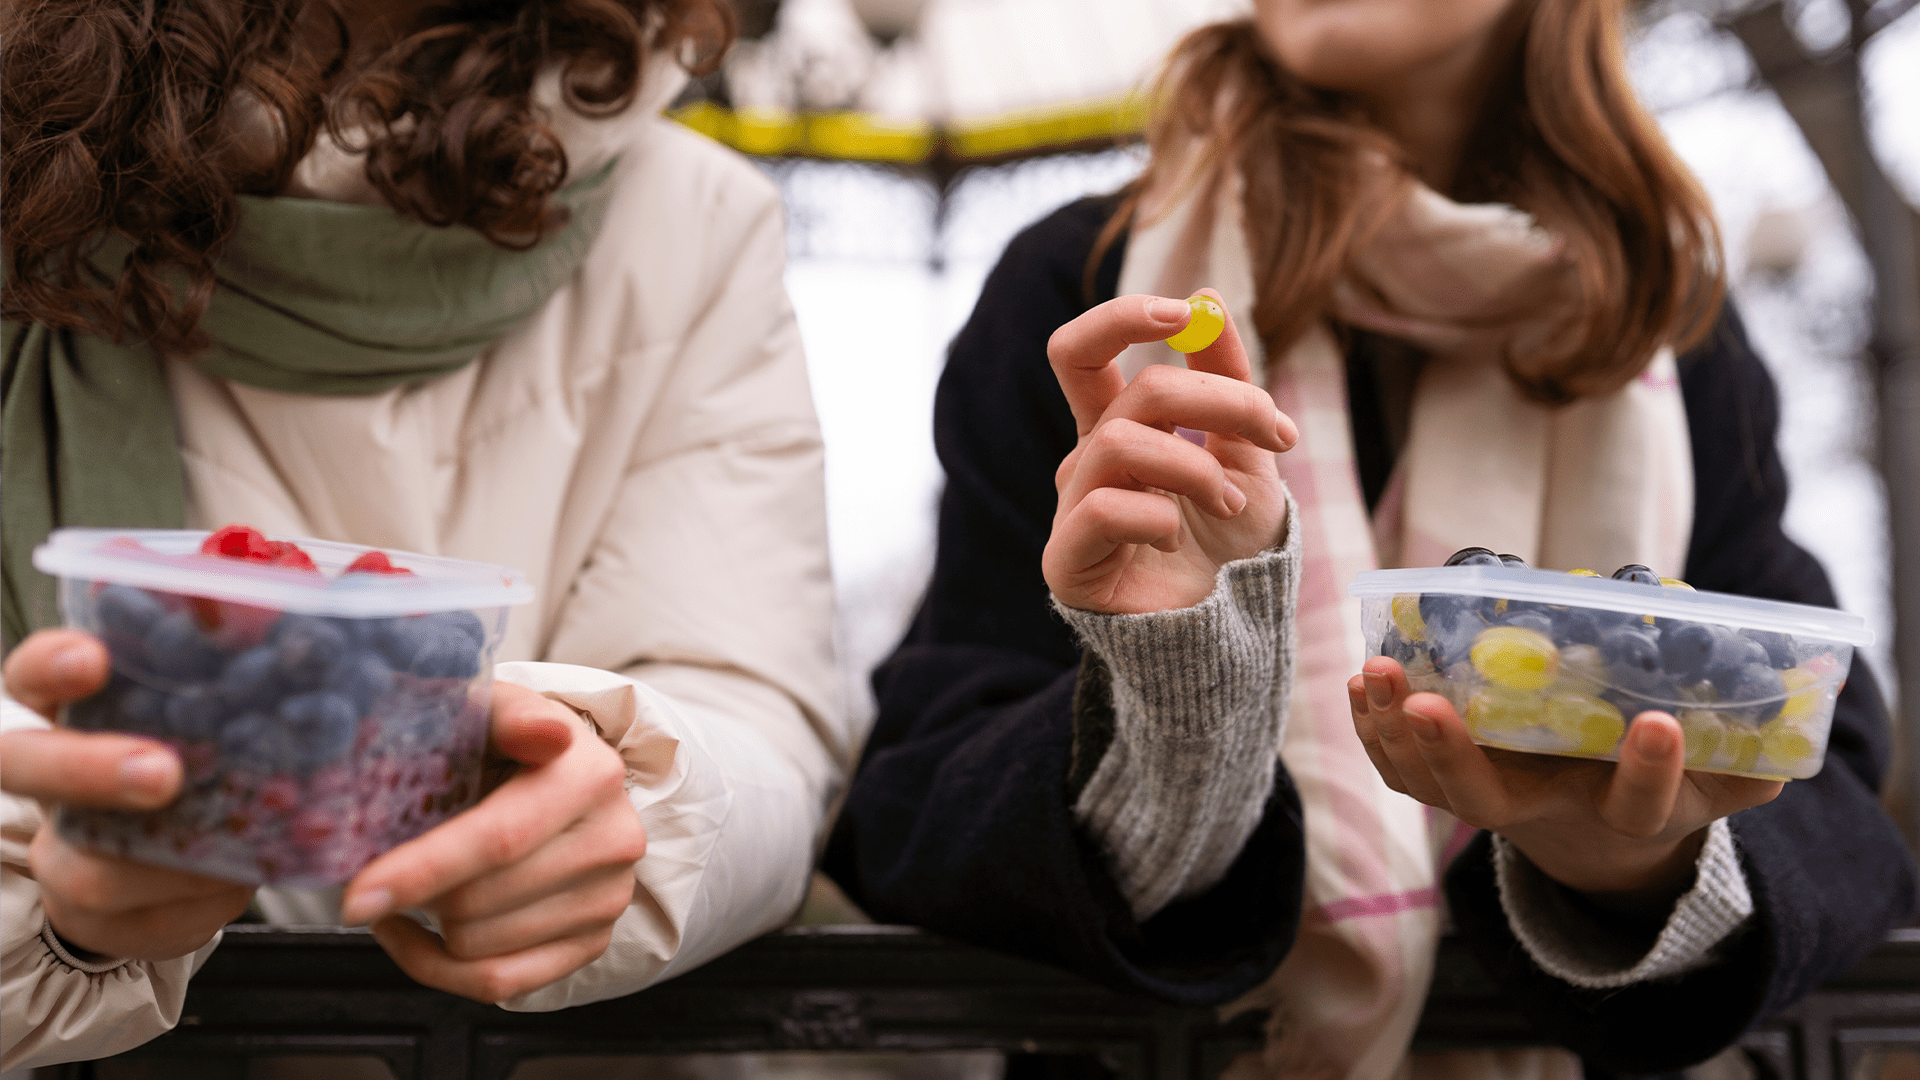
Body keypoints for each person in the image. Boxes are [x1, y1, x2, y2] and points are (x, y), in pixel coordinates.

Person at [823, 0, 1917, 1075]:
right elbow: (914, 811)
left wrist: (1632, 866)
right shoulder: (1088, 285)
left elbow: (1826, 771)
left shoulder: (1665, 317)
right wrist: (1179, 708)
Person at [0, 0, 846, 1070]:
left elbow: (750, 705)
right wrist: (45, 899)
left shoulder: (690, 219)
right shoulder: (23, 167)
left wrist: (629, 815)